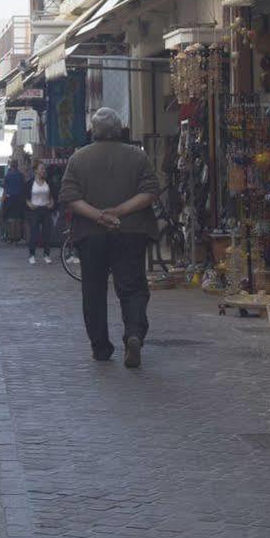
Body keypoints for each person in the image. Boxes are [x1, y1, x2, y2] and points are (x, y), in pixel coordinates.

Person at [60, 107, 160, 366]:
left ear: (94, 131)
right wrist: (120, 211)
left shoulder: (78, 159)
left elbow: (70, 198)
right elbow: (150, 191)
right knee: (133, 287)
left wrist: (98, 216)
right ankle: (134, 333)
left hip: (90, 234)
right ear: (120, 130)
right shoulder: (138, 157)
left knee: (93, 290)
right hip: (131, 231)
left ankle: (101, 347)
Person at [26, 161, 56, 265]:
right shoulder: (30, 183)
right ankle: (32, 255)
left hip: (46, 209)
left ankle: (47, 255)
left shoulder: (48, 182)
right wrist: (29, 203)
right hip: (34, 210)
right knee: (34, 233)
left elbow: (52, 195)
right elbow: (25, 196)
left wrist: (52, 203)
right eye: (41, 169)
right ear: (36, 171)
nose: (43, 171)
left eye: (44, 169)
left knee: (47, 233)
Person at [2, 162, 27, 245]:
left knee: (11, 218)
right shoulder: (20, 175)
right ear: (17, 166)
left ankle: (11, 236)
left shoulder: (8, 175)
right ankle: (18, 236)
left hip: (10, 198)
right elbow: (23, 186)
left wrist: (3, 199)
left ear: (11, 166)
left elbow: (5, 189)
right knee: (18, 218)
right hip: (19, 198)